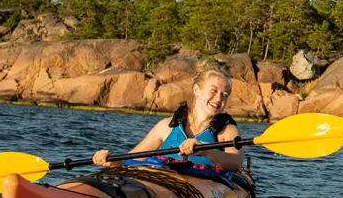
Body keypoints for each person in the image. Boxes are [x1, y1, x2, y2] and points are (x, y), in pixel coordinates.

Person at [91, 67, 243, 181]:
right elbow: (133, 158)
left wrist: (206, 151)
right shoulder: (166, 126)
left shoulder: (227, 131)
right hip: (165, 181)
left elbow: (236, 163)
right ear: (196, 90)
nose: (219, 98)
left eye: (224, 95)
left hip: (208, 185)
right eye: (214, 91)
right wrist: (111, 160)